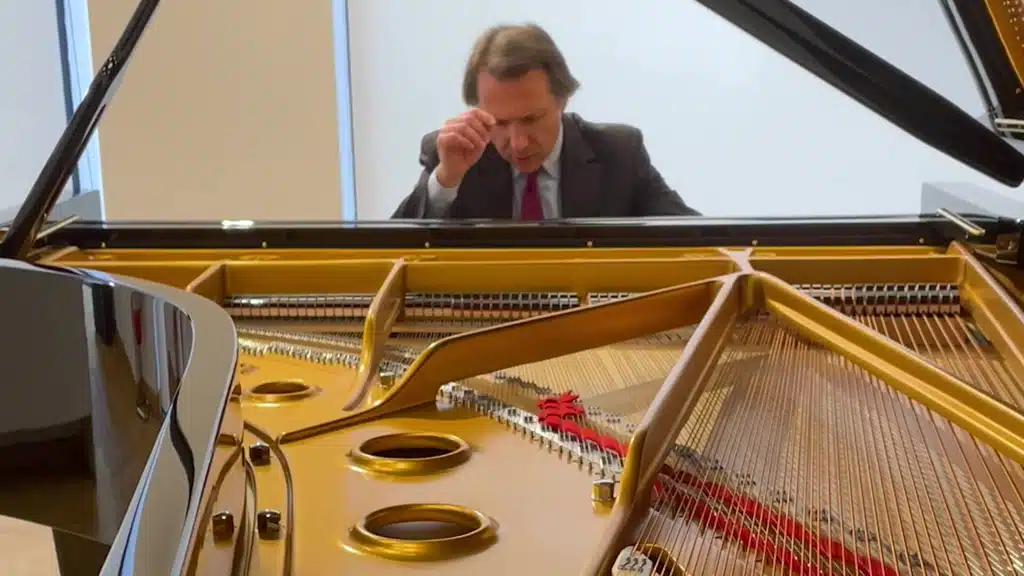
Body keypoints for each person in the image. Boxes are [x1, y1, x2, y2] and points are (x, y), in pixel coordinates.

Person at [391, 23, 699, 220]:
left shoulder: (619, 153)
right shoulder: (455, 154)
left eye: (530, 119)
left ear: (562, 99)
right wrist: (446, 179)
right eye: (500, 123)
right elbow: (386, 257)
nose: (517, 143)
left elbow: (698, 240)